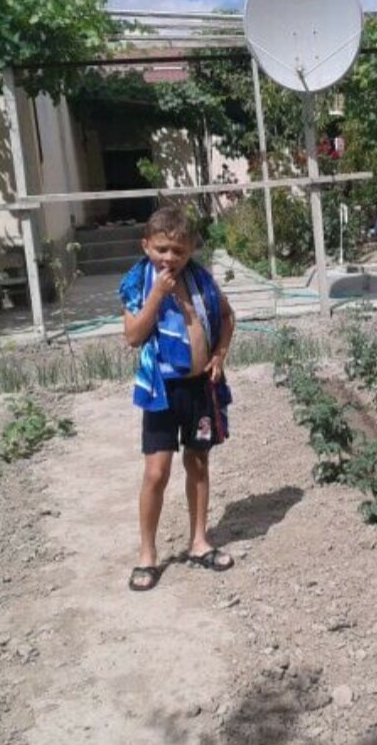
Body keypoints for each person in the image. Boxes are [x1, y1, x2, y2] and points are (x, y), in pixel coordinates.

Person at [118, 206, 236, 591]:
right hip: (161, 390)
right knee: (156, 472)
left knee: (198, 462)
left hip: (199, 388)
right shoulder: (138, 283)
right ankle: (148, 555)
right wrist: (156, 295)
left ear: (191, 252)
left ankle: (199, 542)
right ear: (147, 245)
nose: (170, 258)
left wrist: (218, 354)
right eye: (162, 249)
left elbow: (228, 317)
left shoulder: (200, 279)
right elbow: (134, 335)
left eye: (179, 251)